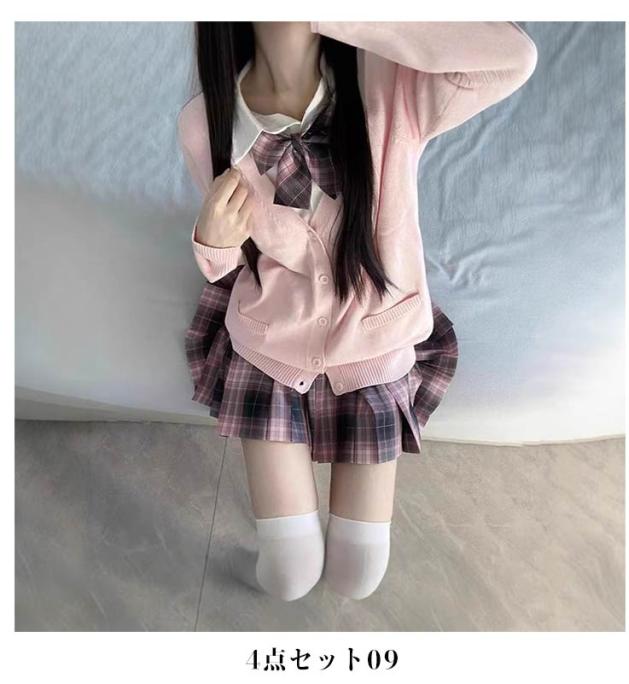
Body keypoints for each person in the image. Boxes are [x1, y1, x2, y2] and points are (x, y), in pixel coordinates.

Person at [178, 21, 538, 602]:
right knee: (289, 574)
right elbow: (230, 260)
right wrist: (210, 242)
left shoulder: (391, 82)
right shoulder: (205, 124)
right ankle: (245, 572)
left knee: (358, 575)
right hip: (270, 350)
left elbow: (513, 55)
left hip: (372, 344)